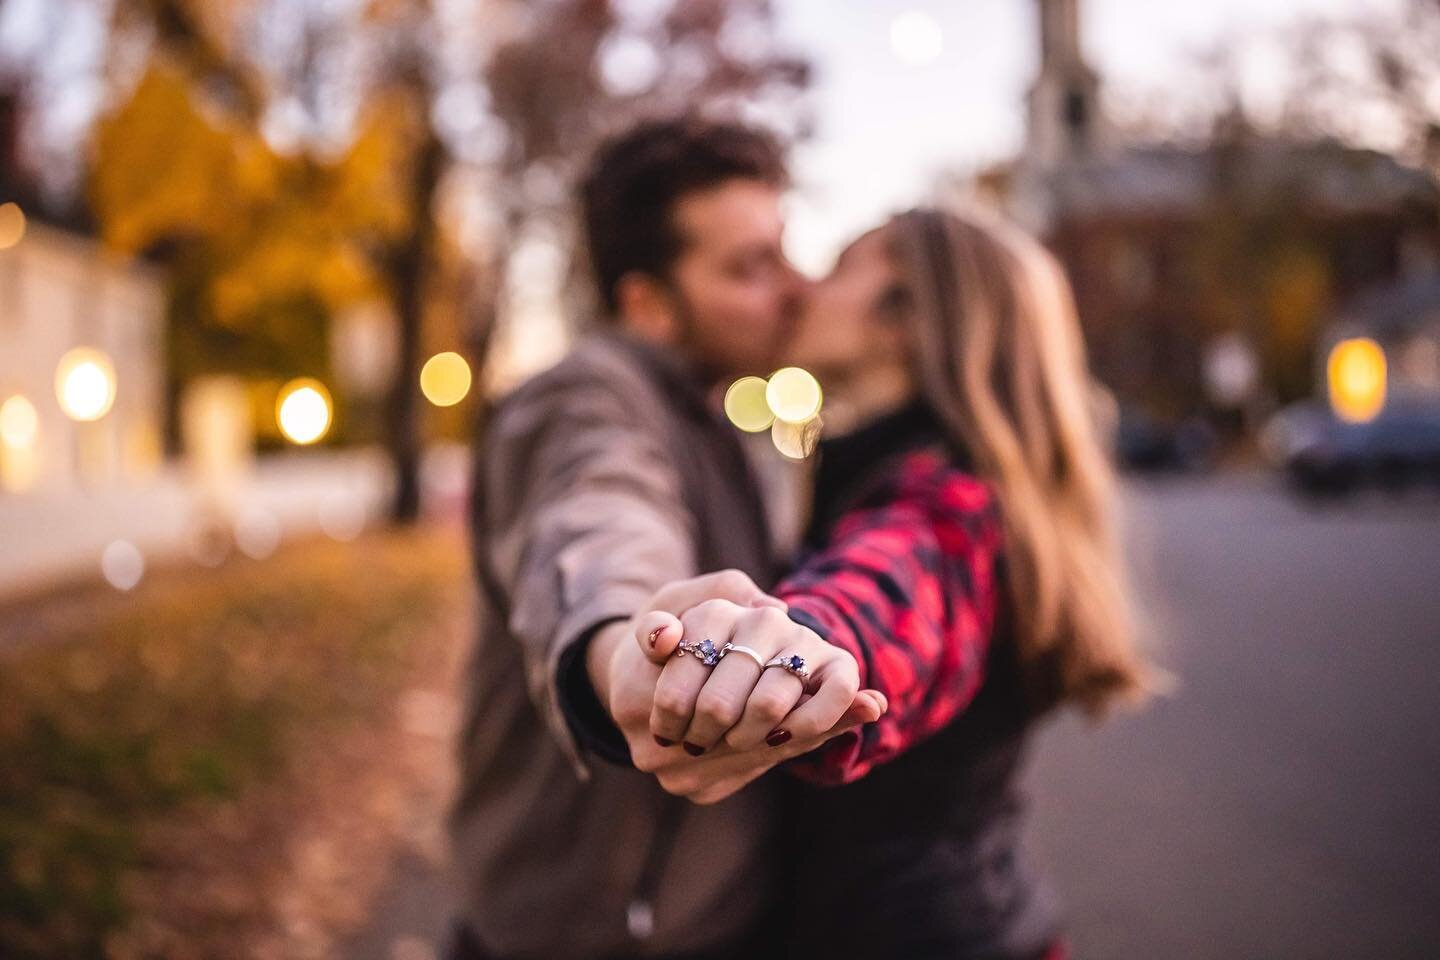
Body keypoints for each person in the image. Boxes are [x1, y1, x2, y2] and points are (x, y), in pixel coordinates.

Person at [628, 207, 1156, 958]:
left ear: (903, 320)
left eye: (842, 265)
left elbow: (886, 599)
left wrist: (794, 649)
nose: (805, 285)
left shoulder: (951, 508)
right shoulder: (891, 475)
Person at [448, 116, 882, 960]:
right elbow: (598, 519)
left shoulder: (724, 410)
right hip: (584, 940)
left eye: (784, 251)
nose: (795, 288)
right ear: (647, 303)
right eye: (749, 267)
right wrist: (628, 654)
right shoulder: (581, 400)